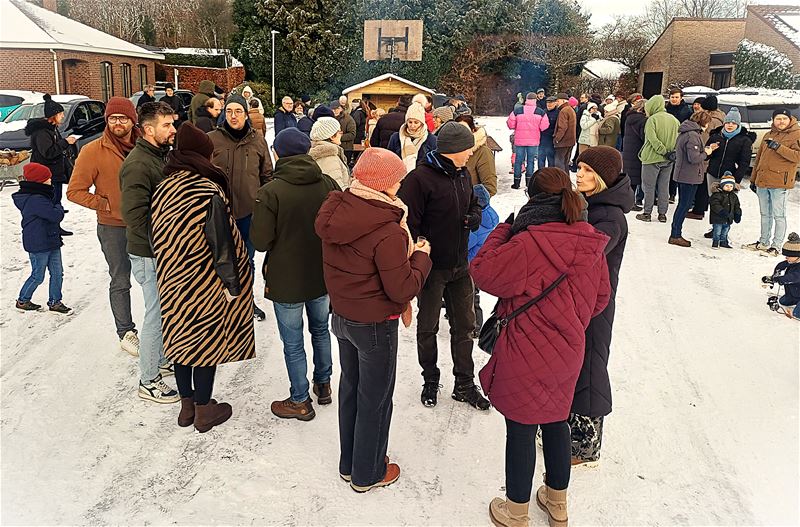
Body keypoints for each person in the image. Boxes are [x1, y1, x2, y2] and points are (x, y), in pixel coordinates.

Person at [470, 167, 611, 527]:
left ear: (532, 198)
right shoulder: (591, 239)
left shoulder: (527, 241)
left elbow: (483, 272)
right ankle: (557, 503)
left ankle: (516, 511)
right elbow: (600, 300)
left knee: (520, 427)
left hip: (523, 348)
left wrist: (505, 227)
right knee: (555, 422)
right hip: (568, 350)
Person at [315, 147, 432, 493]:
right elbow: (402, 289)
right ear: (382, 184)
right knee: (376, 399)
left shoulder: (338, 210)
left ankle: (349, 463)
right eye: (396, 179)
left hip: (343, 317)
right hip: (376, 325)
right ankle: (368, 473)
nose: (400, 184)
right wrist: (422, 258)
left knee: (351, 389)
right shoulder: (388, 230)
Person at [150, 122, 255, 432]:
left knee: (181, 340)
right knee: (204, 343)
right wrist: (233, 285)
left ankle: (186, 407)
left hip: (172, 279)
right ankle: (204, 409)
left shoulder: (163, 187)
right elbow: (222, 243)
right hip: (202, 280)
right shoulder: (205, 190)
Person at [250, 127, 341, 421]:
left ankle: (300, 399)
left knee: (293, 343)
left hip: (286, 278)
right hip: (321, 274)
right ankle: (324, 384)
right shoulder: (327, 184)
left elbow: (261, 241)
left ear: (277, 153)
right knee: (320, 330)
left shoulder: (271, 192)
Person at [397, 121, 488, 411]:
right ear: (453, 150)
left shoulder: (462, 174)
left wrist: (474, 215)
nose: (471, 153)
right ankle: (430, 379)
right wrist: (421, 246)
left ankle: (464, 383)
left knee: (465, 327)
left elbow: (474, 202)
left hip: (460, 266)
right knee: (428, 327)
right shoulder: (420, 179)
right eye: (468, 149)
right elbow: (406, 222)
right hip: (432, 269)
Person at [571, 147, 632, 468]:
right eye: (579, 168)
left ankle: (586, 443)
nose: (580, 174)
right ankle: (570, 428)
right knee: (575, 361)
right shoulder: (591, 204)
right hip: (579, 300)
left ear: (604, 178)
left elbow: (583, 256)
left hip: (596, 304)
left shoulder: (609, 216)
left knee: (591, 364)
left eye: (588, 170)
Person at [67, 97, 141, 355]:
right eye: (112, 118)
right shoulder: (92, 151)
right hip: (113, 227)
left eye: (123, 118)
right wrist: (106, 204)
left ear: (133, 120)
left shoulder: (148, 145)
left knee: (157, 279)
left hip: (147, 224)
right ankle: (126, 331)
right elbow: (75, 191)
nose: (117, 123)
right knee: (120, 280)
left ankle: (163, 328)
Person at [119, 102, 179, 403]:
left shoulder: (159, 156)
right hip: (149, 253)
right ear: (148, 129)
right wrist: (163, 245)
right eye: (167, 125)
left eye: (172, 123)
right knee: (156, 315)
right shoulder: (139, 164)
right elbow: (134, 216)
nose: (173, 129)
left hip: (160, 251)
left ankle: (160, 358)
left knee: (165, 312)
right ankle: (148, 380)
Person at [209, 95, 273, 321]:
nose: (233, 116)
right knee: (220, 260)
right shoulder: (212, 139)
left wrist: (264, 206)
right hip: (218, 213)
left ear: (246, 114)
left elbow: (267, 176)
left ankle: (246, 302)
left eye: (238, 111)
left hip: (248, 213)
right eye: (229, 111)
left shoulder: (258, 140)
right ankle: (219, 305)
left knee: (247, 260)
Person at [13, 162, 71, 315]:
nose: (50, 180)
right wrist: (58, 206)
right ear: (39, 180)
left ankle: (55, 301)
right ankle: (23, 300)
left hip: (50, 239)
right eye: (48, 178)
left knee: (58, 273)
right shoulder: (35, 199)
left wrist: (54, 207)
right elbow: (55, 215)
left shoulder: (41, 195)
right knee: (38, 275)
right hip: (38, 242)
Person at [744, 109, 800, 256]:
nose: (781, 121)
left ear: (790, 120)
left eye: (784, 119)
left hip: (780, 182)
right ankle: (763, 242)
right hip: (763, 181)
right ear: (773, 120)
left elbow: (798, 157)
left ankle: (776, 246)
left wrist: (779, 147)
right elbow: (759, 159)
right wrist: (753, 179)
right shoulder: (768, 134)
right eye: (778, 119)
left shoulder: (797, 134)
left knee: (778, 215)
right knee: (765, 214)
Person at [688, 107, 755, 222]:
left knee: (727, 202)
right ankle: (715, 228)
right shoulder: (716, 136)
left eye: (733, 123)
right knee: (714, 200)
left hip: (730, 176)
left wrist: (736, 179)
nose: (730, 125)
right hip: (713, 172)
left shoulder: (744, 140)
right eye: (728, 122)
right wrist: (709, 150)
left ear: (738, 124)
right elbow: (707, 154)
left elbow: (744, 162)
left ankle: (724, 230)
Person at [24, 94, 78, 236]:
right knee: (51, 202)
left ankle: (55, 227)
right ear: (53, 115)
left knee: (56, 200)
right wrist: (66, 142)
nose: (62, 116)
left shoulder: (52, 129)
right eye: (60, 114)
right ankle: (51, 228)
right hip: (47, 175)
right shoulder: (42, 132)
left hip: (54, 173)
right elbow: (47, 152)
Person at [668, 111, 716, 247]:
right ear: (703, 122)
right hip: (688, 176)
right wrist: (706, 152)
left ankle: (676, 233)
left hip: (685, 174)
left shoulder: (688, 132)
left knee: (683, 205)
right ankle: (675, 234)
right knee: (684, 205)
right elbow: (693, 158)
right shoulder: (693, 135)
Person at [636, 95, 680, 223]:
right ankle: (662, 214)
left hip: (651, 158)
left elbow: (652, 138)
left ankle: (647, 213)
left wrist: (662, 151)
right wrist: (670, 153)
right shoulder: (674, 120)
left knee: (649, 186)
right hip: (669, 159)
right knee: (664, 186)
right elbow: (678, 138)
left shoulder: (652, 120)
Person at [467, 183, 499, 334]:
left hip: (470, 263)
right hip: (480, 261)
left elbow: (466, 244)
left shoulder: (477, 224)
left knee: (471, 296)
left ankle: (476, 325)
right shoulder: (489, 215)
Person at [507, 92, 549, 189]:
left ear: (526, 100)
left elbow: (511, 125)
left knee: (518, 161)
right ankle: (528, 183)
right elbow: (544, 126)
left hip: (520, 141)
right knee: (531, 161)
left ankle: (516, 183)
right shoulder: (540, 112)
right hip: (533, 141)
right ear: (535, 100)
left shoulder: (518, 110)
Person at [388, 103, 438, 173]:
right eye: (410, 122)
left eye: (416, 122)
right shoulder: (396, 137)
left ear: (421, 123)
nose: (412, 125)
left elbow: (434, 163)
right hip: (399, 177)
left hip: (422, 178)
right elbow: (390, 159)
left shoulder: (431, 139)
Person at [456, 114, 497, 196]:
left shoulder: (483, 152)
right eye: (457, 129)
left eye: (465, 129)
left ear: (473, 130)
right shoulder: (450, 151)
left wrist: (471, 203)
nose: (461, 133)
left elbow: (490, 188)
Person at [763, 233, 800, 320]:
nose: (786, 258)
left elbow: (793, 277)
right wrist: (774, 276)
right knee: (783, 301)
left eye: (789, 256)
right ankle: (795, 299)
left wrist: (780, 279)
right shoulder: (792, 261)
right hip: (794, 292)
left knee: (797, 313)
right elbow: (780, 266)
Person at [310, 117, 351, 189]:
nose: (341, 135)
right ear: (332, 136)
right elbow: (337, 187)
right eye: (339, 132)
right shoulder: (330, 159)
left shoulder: (316, 151)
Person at [622, 99, 646, 211]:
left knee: (630, 177)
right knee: (636, 178)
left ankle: (627, 200)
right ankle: (632, 202)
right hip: (637, 150)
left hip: (628, 149)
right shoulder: (642, 120)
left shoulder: (629, 118)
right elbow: (643, 136)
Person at [709, 173, 742, 249]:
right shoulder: (717, 195)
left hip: (728, 218)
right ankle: (715, 242)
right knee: (717, 232)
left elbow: (737, 206)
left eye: (731, 186)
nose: (729, 188)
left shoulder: (734, 196)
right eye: (726, 186)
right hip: (718, 218)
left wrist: (737, 213)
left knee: (725, 231)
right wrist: (721, 211)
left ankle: (723, 242)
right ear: (722, 185)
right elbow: (715, 204)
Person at [553, 93, 577, 173]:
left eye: (558, 101)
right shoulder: (570, 109)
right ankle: (566, 181)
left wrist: (557, 139)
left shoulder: (563, 111)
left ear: (563, 101)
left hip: (563, 142)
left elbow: (562, 127)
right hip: (570, 141)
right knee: (565, 163)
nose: (556, 103)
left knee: (559, 163)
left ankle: (561, 181)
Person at [332, 100, 357, 165]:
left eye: (337, 108)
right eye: (333, 109)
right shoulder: (330, 119)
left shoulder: (349, 119)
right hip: (333, 148)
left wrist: (337, 137)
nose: (335, 110)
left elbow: (352, 134)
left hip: (346, 149)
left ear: (342, 108)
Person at [538, 96, 560, 169]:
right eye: (547, 103)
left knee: (551, 160)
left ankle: (550, 175)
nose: (549, 104)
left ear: (555, 103)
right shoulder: (543, 112)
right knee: (541, 159)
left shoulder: (558, 113)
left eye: (551, 103)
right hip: (542, 139)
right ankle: (540, 174)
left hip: (551, 140)